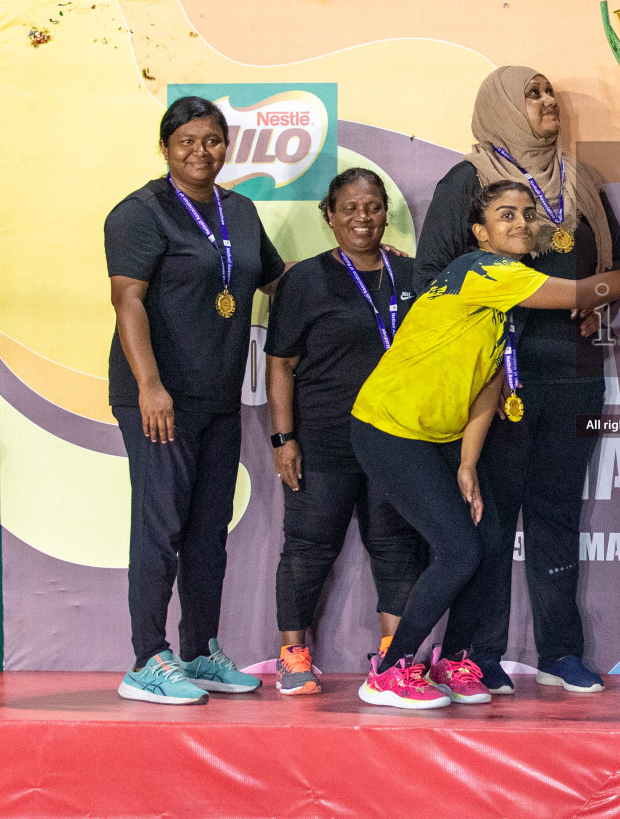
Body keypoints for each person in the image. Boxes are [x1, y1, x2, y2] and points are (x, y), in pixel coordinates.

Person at [351, 181, 620, 709]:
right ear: (479, 232)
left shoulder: (506, 301)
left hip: (439, 437)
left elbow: (490, 384)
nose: (520, 222)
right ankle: (392, 670)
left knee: (481, 538)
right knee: (459, 549)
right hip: (389, 429)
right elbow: (584, 293)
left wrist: (468, 463)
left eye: (527, 215)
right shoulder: (481, 270)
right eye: (505, 214)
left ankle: (453, 661)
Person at [415, 66, 620, 695]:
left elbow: (608, 263)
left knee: (557, 516)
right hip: (498, 381)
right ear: (504, 106)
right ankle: (476, 655)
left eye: (549, 92)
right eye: (531, 93)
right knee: (490, 518)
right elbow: (432, 276)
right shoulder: (469, 181)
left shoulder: (581, 180)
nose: (546, 101)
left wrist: (601, 303)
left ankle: (561, 651)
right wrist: (498, 298)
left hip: (575, 378)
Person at [105, 96, 284, 705]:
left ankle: (200, 650)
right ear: (165, 148)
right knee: (161, 528)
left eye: (211, 140)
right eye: (187, 141)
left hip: (218, 398)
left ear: (226, 146)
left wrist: (353, 269)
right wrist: (151, 387)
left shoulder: (240, 209)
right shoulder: (139, 213)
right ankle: (147, 659)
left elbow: (275, 279)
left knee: (209, 530)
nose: (200, 151)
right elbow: (127, 300)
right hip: (159, 400)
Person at [263, 168, 424, 695]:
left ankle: (392, 658)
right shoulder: (305, 280)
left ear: (386, 214)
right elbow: (281, 363)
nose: (363, 217)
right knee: (308, 547)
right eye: (350, 208)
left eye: (373, 207)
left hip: (396, 439)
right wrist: (283, 439)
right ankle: (293, 656)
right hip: (324, 439)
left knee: (396, 545)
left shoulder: (410, 276)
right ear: (329, 215)